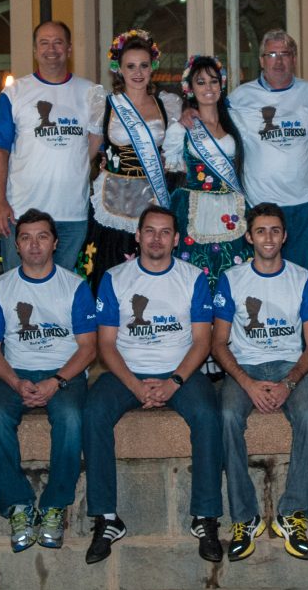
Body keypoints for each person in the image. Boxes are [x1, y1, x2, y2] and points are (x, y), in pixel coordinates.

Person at [82, 206, 223, 564]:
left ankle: (205, 517)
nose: (156, 239)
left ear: (176, 240)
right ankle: (107, 518)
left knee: (209, 415)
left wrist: (174, 382)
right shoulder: (115, 278)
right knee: (93, 412)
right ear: (138, 236)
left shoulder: (192, 278)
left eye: (164, 232)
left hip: (180, 372)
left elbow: (202, 341)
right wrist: (134, 386)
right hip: (127, 372)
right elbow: (106, 345)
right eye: (149, 231)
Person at [0, 209, 96, 553]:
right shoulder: (1, 287)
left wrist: (56, 381)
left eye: (42, 237)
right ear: (16, 245)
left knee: (70, 417)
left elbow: (88, 348)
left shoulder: (74, 286)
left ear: (55, 243)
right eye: (26, 237)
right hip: (17, 371)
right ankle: (18, 505)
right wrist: (15, 382)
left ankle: (54, 506)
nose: (34, 245)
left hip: (65, 371)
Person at [212, 202, 308, 561]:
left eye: (275, 230)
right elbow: (218, 343)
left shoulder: (303, 279)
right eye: (261, 231)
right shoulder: (232, 279)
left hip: (290, 365)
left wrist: (289, 383)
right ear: (249, 237)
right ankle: (244, 517)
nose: (269, 238)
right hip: (246, 366)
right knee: (227, 415)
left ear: (285, 236)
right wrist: (247, 383)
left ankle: (293, 513)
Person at [0, 21, 104, 270]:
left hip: (72, 214)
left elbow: (94, 145)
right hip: (21, 212)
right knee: (18, 287)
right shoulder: (14, 93)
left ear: (69, 49)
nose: (51, 49)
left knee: (64, 289)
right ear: (34, 50)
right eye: (44, 43)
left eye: (58, 42)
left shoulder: (92, 93)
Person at [77, 30, 181, 289]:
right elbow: (87, 153)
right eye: (131, 66)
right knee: (108, 267)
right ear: (119, 69)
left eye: (144, 65)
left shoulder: (167, 105)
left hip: (153, 197)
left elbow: (175, 154)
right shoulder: (105, 105)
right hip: (113, 196)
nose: (138, 72)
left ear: (152, 67)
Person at [225, 30, 308, 268]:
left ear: (294, 59)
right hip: (260, 203)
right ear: (261, 60)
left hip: (303, 203)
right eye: (272, 54)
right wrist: (189, 110)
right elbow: (209, 113)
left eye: (285, 54)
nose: (279, 61)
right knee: (261, 273)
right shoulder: (240, 98)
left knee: (299, 273)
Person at [163, 54, 250, 285]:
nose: (208, 88)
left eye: (213, 81)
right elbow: (171, 171)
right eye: (200, 82)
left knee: (233, 269)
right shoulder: (182, 128)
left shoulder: (235, 122)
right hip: (194, 207)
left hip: (232, 205)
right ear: (190, 88)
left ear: (221, 85)